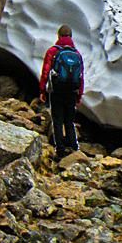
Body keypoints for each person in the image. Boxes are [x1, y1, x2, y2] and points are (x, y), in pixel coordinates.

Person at [39, 24, 84, 158]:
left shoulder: (53, 51)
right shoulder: (77, 54)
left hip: (57, 90)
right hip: (71, 91)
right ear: (71, 37)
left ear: (58, 36)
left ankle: (60, 149)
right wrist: (79, 95)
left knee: (57, 120)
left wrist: (43, 91)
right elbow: (81, 76)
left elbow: (45, 72)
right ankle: (74, 148)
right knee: (69, 121)